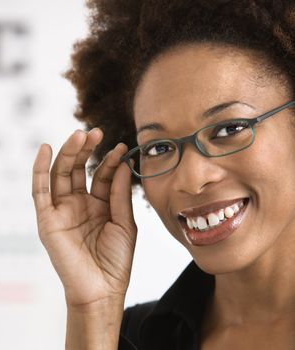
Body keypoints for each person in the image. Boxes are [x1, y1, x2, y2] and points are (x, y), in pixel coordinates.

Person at [31, 1, 295, 348]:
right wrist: (91, 310)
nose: (191, 179)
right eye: (158, 148)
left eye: (229, 128)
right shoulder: (131, 336)